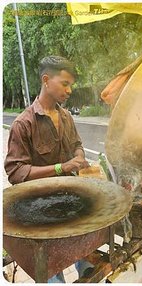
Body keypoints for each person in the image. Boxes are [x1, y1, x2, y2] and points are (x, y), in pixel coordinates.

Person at [4, 56, 91, 283]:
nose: (69, 90)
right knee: (53, 272)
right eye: (64, 83)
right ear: (46, 80)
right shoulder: (23, 124)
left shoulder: (67, 117)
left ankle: (85, 269)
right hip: (39, 212)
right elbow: (16, 172)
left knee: (86, 256)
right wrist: (62, 167)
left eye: (70, 84)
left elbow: (76, 145)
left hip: (71, 202)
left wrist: (79, 157)